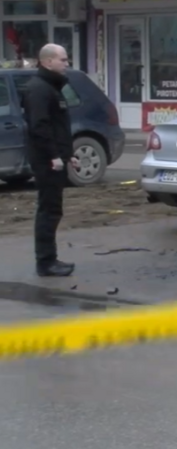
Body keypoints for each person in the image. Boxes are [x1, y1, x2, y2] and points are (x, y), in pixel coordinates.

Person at [21, 44, 78, 277]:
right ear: (47, 62)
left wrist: (68, 155)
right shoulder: (39, 89)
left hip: (55, 159)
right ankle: (46, 262)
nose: (67, 64)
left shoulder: (51, 87)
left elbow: (57, 127)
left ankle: (49, 259)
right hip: (46, 161)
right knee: (49, 210)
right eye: (63, 60)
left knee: (53, 209)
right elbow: (40, 127)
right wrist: (54, 156)